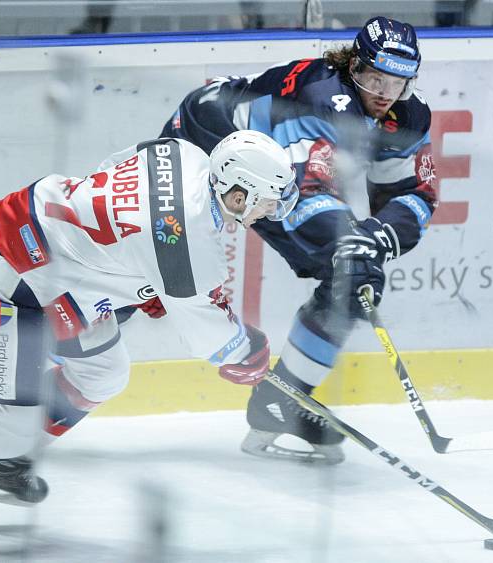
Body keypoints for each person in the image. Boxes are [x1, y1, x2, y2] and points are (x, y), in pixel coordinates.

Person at [0, 130, 300, 521]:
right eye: (266, 199)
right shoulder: (191, 247)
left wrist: (140, 277)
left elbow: (112, 175)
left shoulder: (182, 153)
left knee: (102, 373)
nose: (268, 211)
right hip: (15, 276)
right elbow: (213, 340)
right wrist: (248, 355)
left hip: (60, 270)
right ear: (238, 192)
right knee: (1, 430)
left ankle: (5, 465)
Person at [155, 16, 438, 464]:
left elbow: (413, 193)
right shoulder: (321, 98)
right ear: (353, 65)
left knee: (351, 281)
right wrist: (348, 244)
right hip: (203, 140)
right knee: (153, 268)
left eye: (398, 83)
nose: (384, 93)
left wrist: (379, 238)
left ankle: (282, 402)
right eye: (373, 77)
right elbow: (305, 191)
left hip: (269, 172)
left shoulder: (410, 115)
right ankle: (46, 333)